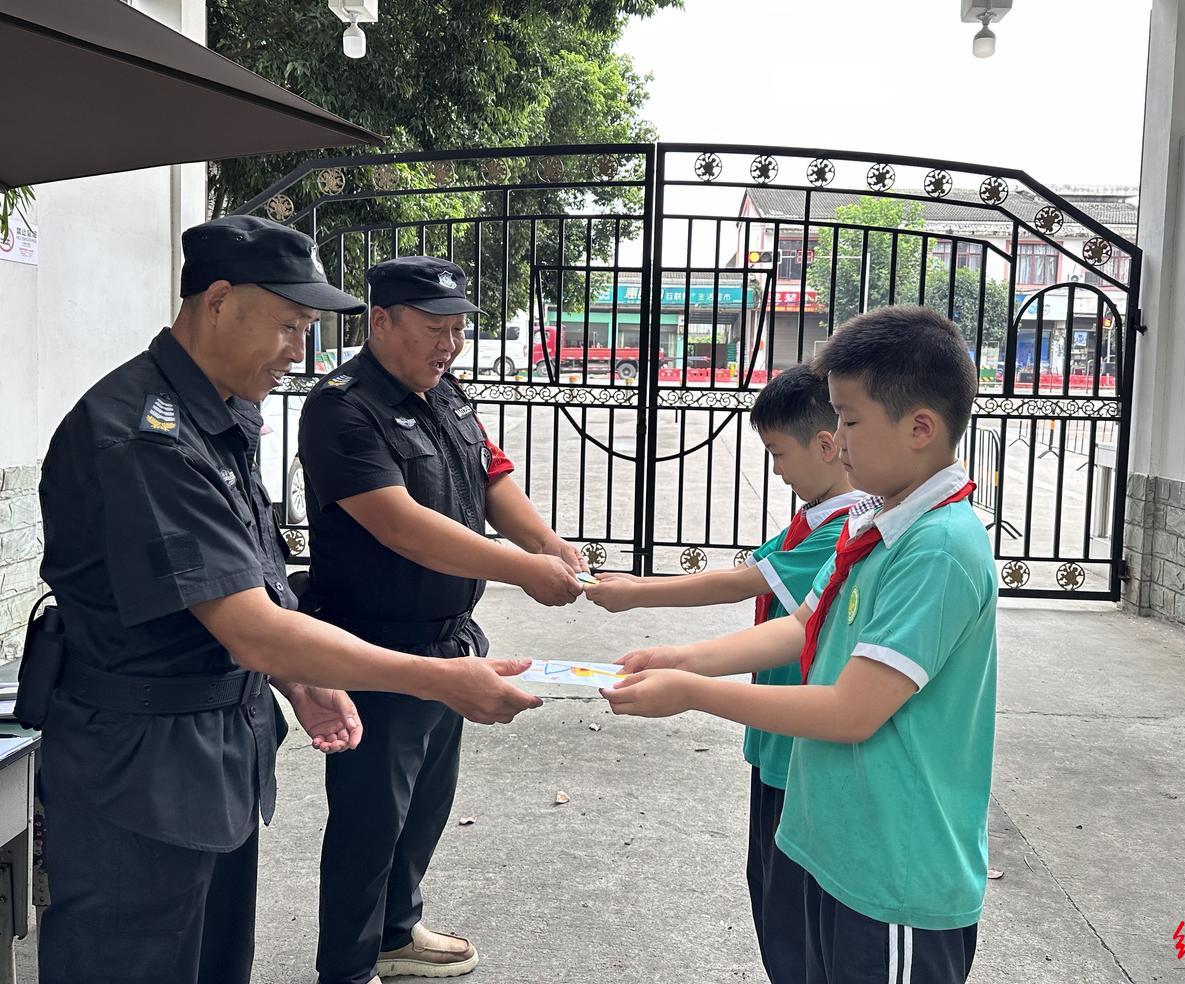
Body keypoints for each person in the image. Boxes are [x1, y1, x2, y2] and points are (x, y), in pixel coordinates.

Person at [35, 216, 541, 984]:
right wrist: (439, 679)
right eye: (288, 325)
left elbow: (239, 581)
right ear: (217, 300)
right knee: (133, 958)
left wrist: (298, 679)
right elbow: (251, 627)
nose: (299, 352)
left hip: (212, 751)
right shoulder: (145, 436)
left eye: (306, 329)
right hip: (140, 764)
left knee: (212, 961)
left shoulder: (216, 414)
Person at [602, 306, 998, 984]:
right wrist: (680, 660)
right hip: (838, 845)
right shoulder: (879, 519)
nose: (836, 441)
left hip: (894, 872)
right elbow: (802, 626)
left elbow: (850, 711)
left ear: (919, 428)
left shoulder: (937, 547)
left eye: (849, 420)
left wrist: (692, 693)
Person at [297, 256, 584, 984]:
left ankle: (395, 934)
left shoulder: (445, 390)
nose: (449, 345)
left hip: (449, 638)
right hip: (374, 646)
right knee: (370, 821)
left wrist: (547, 545)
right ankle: (347, 968)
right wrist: (521, 570)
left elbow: (490, 477)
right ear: (381, 320)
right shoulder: (342, 408)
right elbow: (399, 525)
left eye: (457, 329)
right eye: (434, 329)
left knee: (424, 805)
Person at [584, 364, 867, 982]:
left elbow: (746, 585)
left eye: (779, 454)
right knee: (769, 891)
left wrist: (639, 597)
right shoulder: (817, 518)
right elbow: (756, 583)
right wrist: (675, 653)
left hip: (799, 739)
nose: (776, 470)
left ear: (827, 445)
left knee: (791, 912)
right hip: (774, 735)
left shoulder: (849, 527)